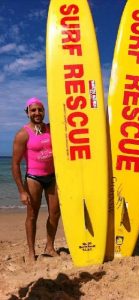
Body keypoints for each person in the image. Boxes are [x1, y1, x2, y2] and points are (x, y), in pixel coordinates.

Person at [12, 97, 60, 262]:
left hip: (52, 176)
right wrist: (21, 191)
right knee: (32, 215)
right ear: (27, 113)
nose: (37, 113)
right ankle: (31, 252)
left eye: (40, 109)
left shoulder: (51, 129)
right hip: (34, 178)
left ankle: (50, 246)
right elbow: (15, 164)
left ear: (44, 111)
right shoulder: (23, 134)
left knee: (55, 213)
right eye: (33, 110)